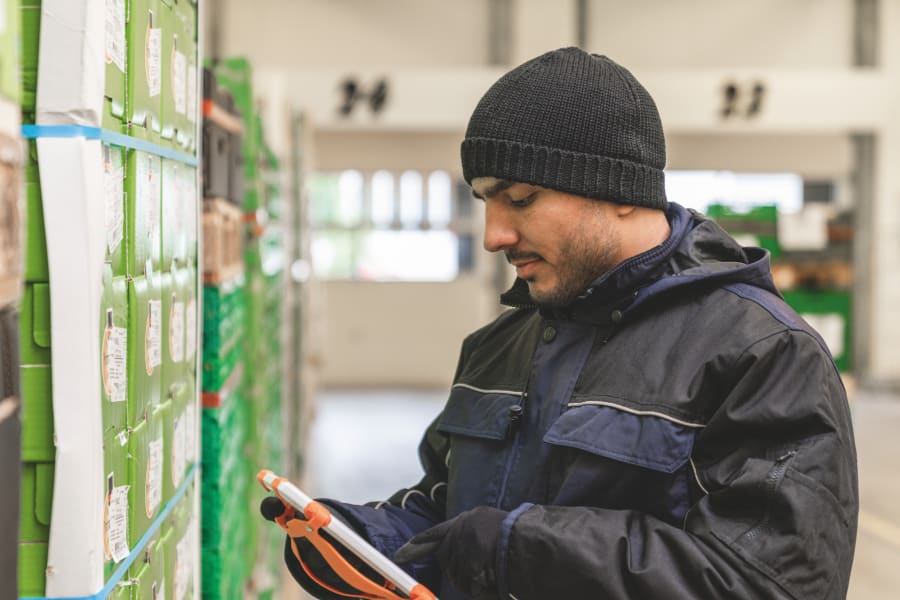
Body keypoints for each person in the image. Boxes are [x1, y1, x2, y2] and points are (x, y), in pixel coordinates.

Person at [280, 47, 859, 600]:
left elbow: (770, 584)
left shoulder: (763, 355)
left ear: (620, 190)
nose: (493, 235)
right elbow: (450, 514)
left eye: (522, 200)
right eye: (485, 200)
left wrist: (522, 549)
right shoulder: (500, 344)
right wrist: (362, 539)